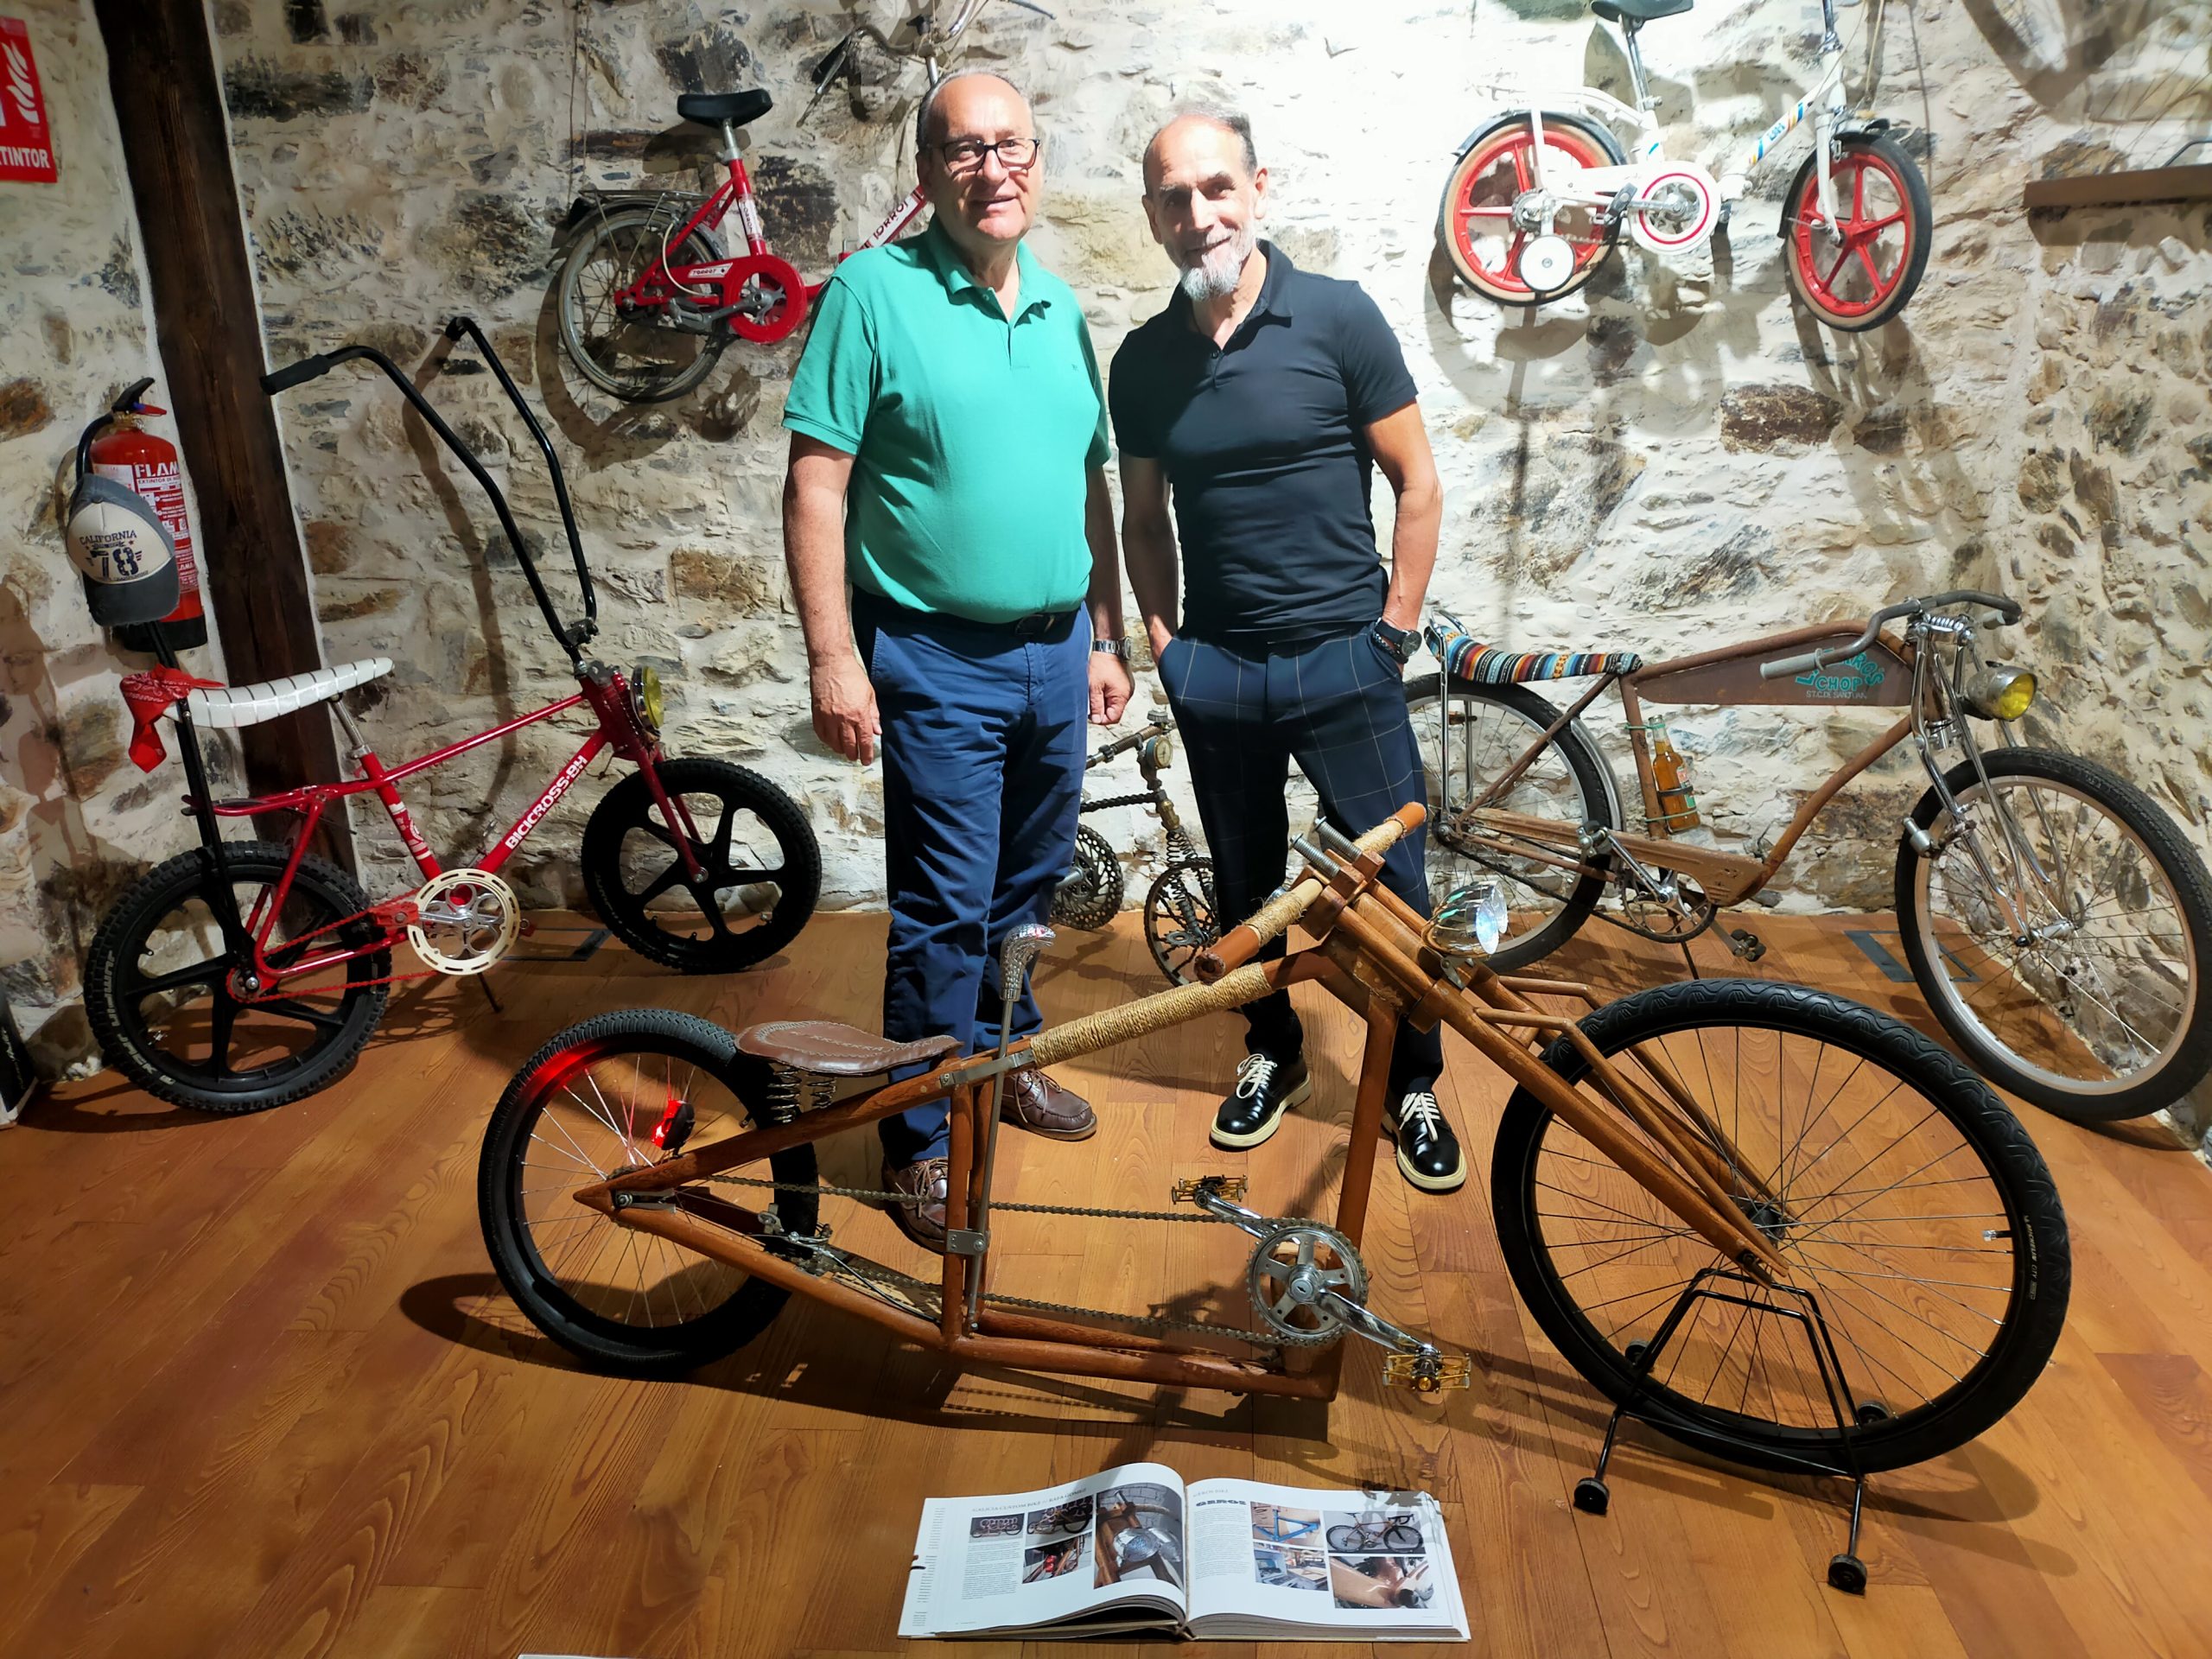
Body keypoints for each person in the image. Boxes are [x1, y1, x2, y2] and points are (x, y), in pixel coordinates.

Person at [782, 70, 1134, 1253]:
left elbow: (1089, 486)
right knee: (943, 909)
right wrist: (835, 655)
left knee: (1027, 894)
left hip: (1052, 655)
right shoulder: (872, 296)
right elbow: (817, 485)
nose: (996, 170)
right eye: (967, 151)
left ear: (1038, 161)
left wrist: (1105, 633)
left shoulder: (1060, 310)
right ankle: (918, 1139)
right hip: (932, 655)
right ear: (928, 173)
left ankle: (1002, 1060)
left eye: (1014, 147)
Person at [1109, 107, 1464, 1192]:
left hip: (1343, 658)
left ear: (1257, 188)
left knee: (1392, 890)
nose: (1197, 214)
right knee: (1244, 887)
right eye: (1174, 197)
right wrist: (1168, 645)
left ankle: (1412, 1079)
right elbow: (1140, 518)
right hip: (1218, 668)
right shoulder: (1141, 362)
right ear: (1153, 216)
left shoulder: (1338, 318)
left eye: (1215, 189)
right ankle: (1272, 1052)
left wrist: (1394, 628)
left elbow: (1417, 480)